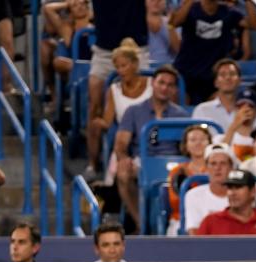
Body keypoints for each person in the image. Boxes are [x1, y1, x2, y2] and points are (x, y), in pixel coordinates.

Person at [113, 65, 188, 231]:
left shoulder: (181, 115)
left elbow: (186, 146)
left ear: (174, 89)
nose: (164, 88)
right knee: (123, 173)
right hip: (142, 161)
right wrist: (124, 158)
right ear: (152, 84)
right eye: (161, 83)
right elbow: (120, 143)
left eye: (170, 85)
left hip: (174, 163)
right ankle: (141, 223)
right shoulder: (133, 111)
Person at [87, 0, 150, 180]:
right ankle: (92, 163)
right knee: (94, 93)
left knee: (154, 90)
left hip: (137, 48)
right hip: (104, 51)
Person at [171, 0, 256, 105]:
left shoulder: (228, 13)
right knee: (178, 103)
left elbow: (254, 25)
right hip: (186, 72)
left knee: (218, 106)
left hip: (213, 77)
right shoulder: (190, 9)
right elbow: (174, 23)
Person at [196, 169, 256, 235]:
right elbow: (197, 255)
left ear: (253, 191)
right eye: (230, 188)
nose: (232, 193)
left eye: (238, 187)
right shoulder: (210, 222)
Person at [191, 59, 256, 135]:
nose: (228, 78)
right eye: (222, 75)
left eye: (232, 74)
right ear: (215, 82)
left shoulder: (253, 110)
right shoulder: (202, 110)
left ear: (239, 80)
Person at [166, 123, 213, 232]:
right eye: (193, 140)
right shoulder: (177, 171)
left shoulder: (217, 169)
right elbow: (175, 202)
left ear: (209, 143)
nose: (198, 143)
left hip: (212, 216)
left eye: (202, 139)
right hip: (182, 219)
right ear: (186, 145)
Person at [183, 142, 234, 235]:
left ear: (231, 168)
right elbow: (194, 233)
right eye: (213, 163)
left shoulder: (241, 195)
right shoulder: (193, 195)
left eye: (223, 163)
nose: (218, 168)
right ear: (206, 168)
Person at [146, 0, 179, 67]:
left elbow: (179, 51)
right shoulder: (135, 23)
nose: (156, 2)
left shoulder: (173, 22)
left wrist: (170, 27)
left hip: (166, 69)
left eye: (160, 0)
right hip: (142, 70)